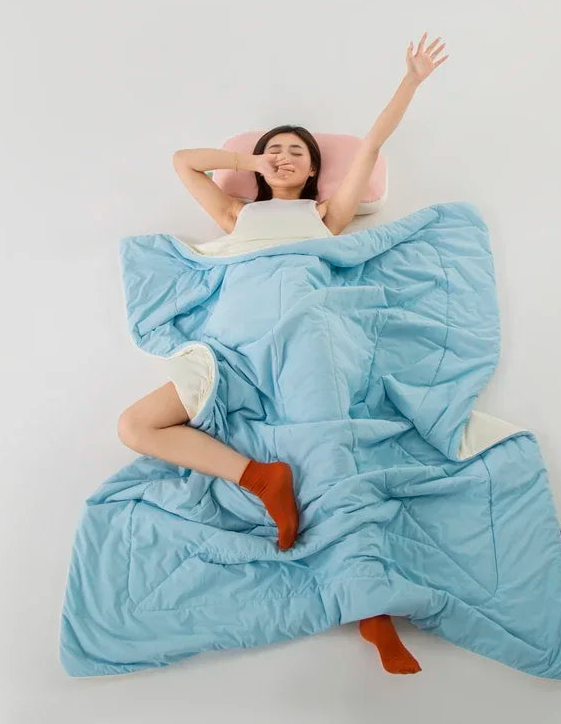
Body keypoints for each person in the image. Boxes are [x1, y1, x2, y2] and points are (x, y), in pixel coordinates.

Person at [116, 33, 449, 674]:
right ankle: (259, 478)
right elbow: (184, 162)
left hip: (304, 337)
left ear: (315, 169)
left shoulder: (325, 215)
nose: (285, 157)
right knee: (135, 426)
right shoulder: (236, 213)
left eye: (298, 151)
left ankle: (371, 608)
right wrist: (247, 158)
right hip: (232, 348)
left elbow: (372, 145)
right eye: (275, 151)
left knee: (329, 456)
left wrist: (410, 80)